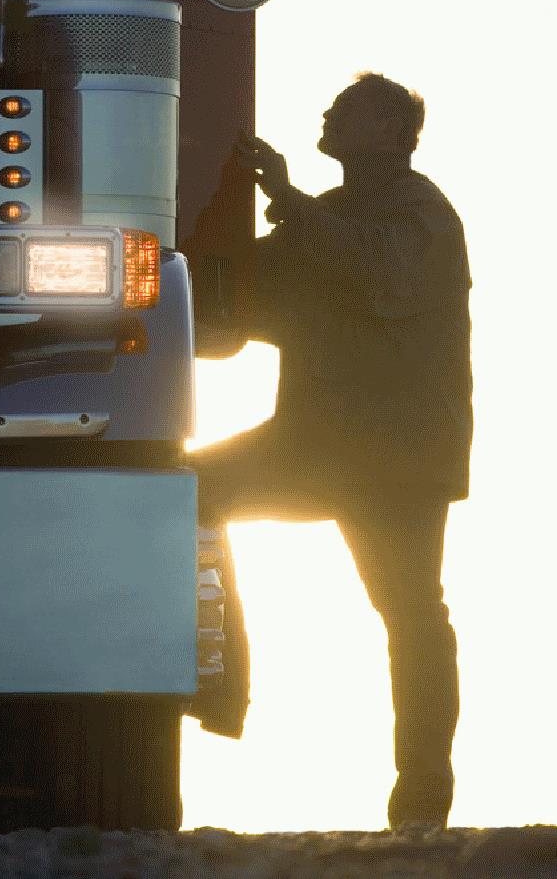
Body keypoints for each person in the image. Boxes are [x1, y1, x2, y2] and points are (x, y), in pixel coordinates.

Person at [193, 72, 473, 829]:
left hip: (396, 459)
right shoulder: (328, 216)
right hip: (313, 446)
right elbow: (245, 293)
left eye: (345, 111)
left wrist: (286, 196)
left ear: (389, 131)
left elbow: (376, 267)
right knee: (185, 491)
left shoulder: (422, 215)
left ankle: (421, 799)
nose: (327, 115)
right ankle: (219, 679)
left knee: (410, 611)